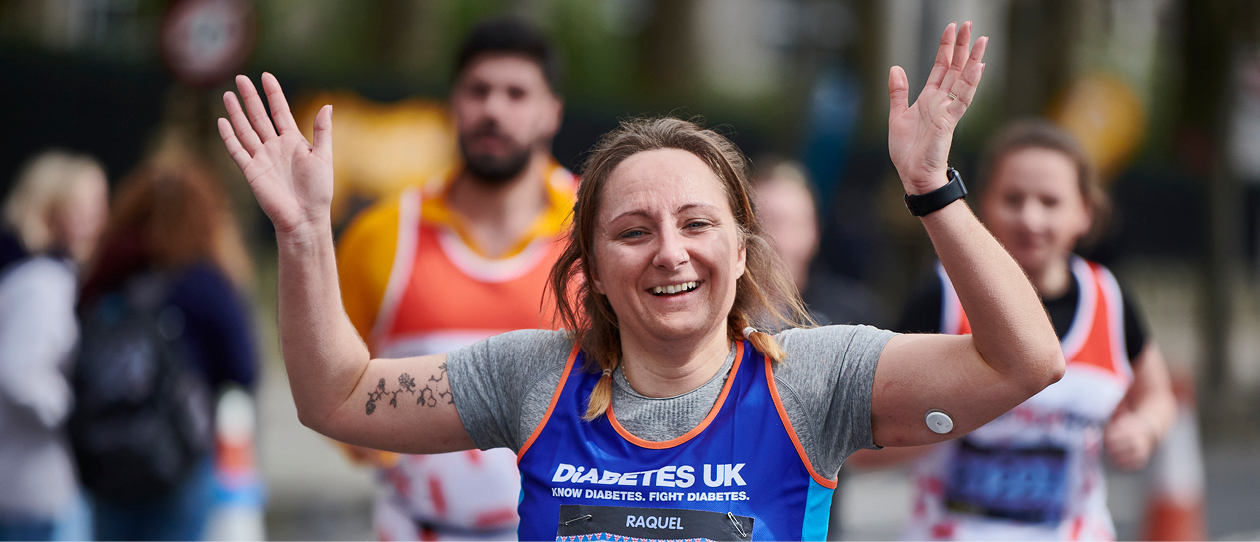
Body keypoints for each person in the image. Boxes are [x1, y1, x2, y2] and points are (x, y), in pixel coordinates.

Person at [218, 21, 1067, 540]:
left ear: (742, 251)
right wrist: (301, 234)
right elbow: (336, 397)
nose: (669, 252)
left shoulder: (812, 376)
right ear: (587, 268)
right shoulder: (533, 376)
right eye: (632, 231)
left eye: (698, 224)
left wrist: (932, 187)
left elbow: (1023, 362)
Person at [334, 17, 573, 541]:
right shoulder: (382, 235)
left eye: (516, 93)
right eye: (478, 91)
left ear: (551, 112)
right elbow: (332, 376)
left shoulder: (597, 234)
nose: (493, 109)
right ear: (453, 105)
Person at [895, 120, 1177, 541]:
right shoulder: (942, 296)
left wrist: (1144, 430)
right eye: (1013, 199)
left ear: (1085, 212)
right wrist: (931, 427)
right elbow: (869, 429)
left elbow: (1158, 396)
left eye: (1050, 201)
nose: (1030, 218)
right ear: (984, 203)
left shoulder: (1109, 300)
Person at [77, 145, 258, 541]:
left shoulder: (106, 278)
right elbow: (243, 371)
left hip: (103, 459)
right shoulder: (205, 283)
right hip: (177, 457)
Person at [0, 151, 108, 541]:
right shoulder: (42, 284)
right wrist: (76, 412)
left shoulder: (36, 276)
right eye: (85, 209)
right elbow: (18, 374)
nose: (99, 221)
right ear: (50, 211)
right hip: (37, 491)